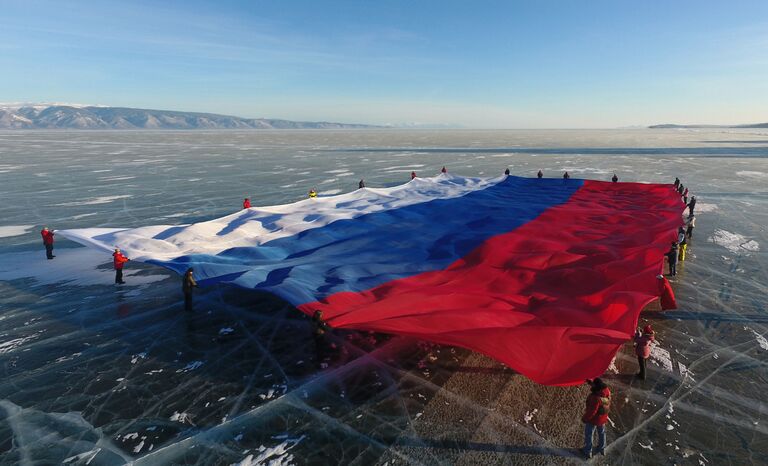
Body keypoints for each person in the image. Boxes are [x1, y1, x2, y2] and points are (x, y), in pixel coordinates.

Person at [581, 378, 611, 458]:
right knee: (602, 433)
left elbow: (592, 411)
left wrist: (585, 418)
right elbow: (603, 399)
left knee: (589, 434)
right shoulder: (606, 391)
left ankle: (588, 451)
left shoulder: (595, 398)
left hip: (594, 419)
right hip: (603, 417)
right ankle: (602, 448)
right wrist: (591, 383)